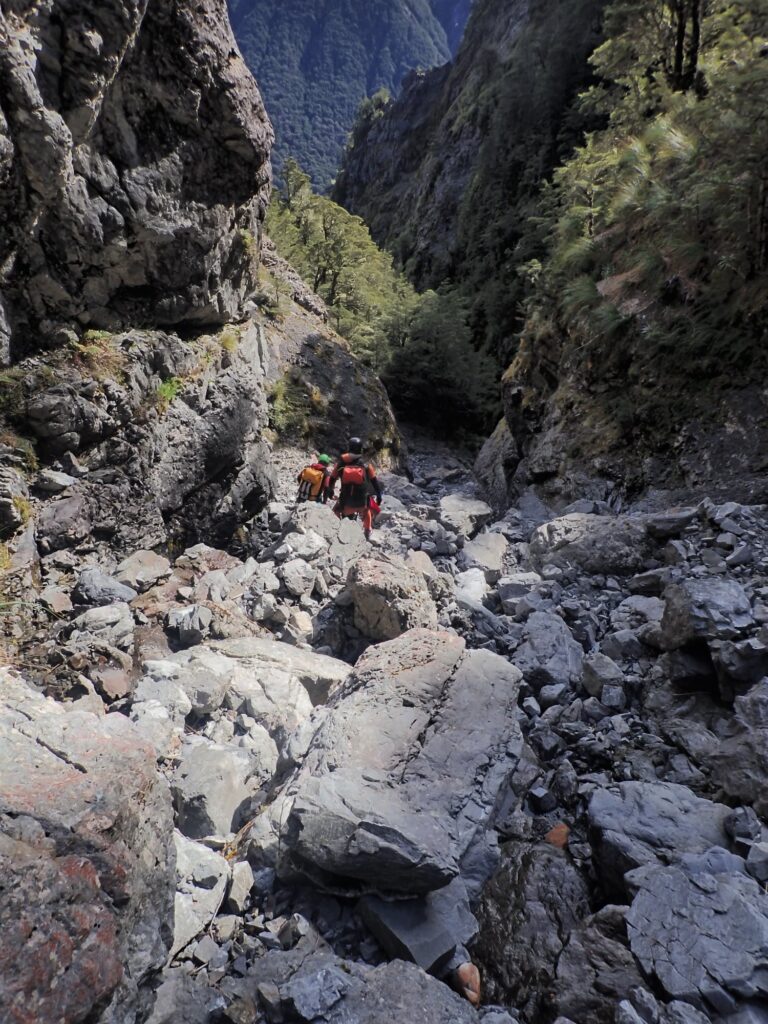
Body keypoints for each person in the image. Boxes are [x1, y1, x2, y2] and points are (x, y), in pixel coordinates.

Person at [328, 437, 383, 539]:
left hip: (346, 503)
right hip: (362, 503)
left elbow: (332, 479)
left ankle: (338, 529)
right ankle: (368, 530)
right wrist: (379, 496)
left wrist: (330, 491)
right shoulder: (366, 465)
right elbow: (375, 482)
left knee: (336, 510)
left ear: (349, 448)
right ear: (360, 449)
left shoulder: (341, 464)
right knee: (367, 509)